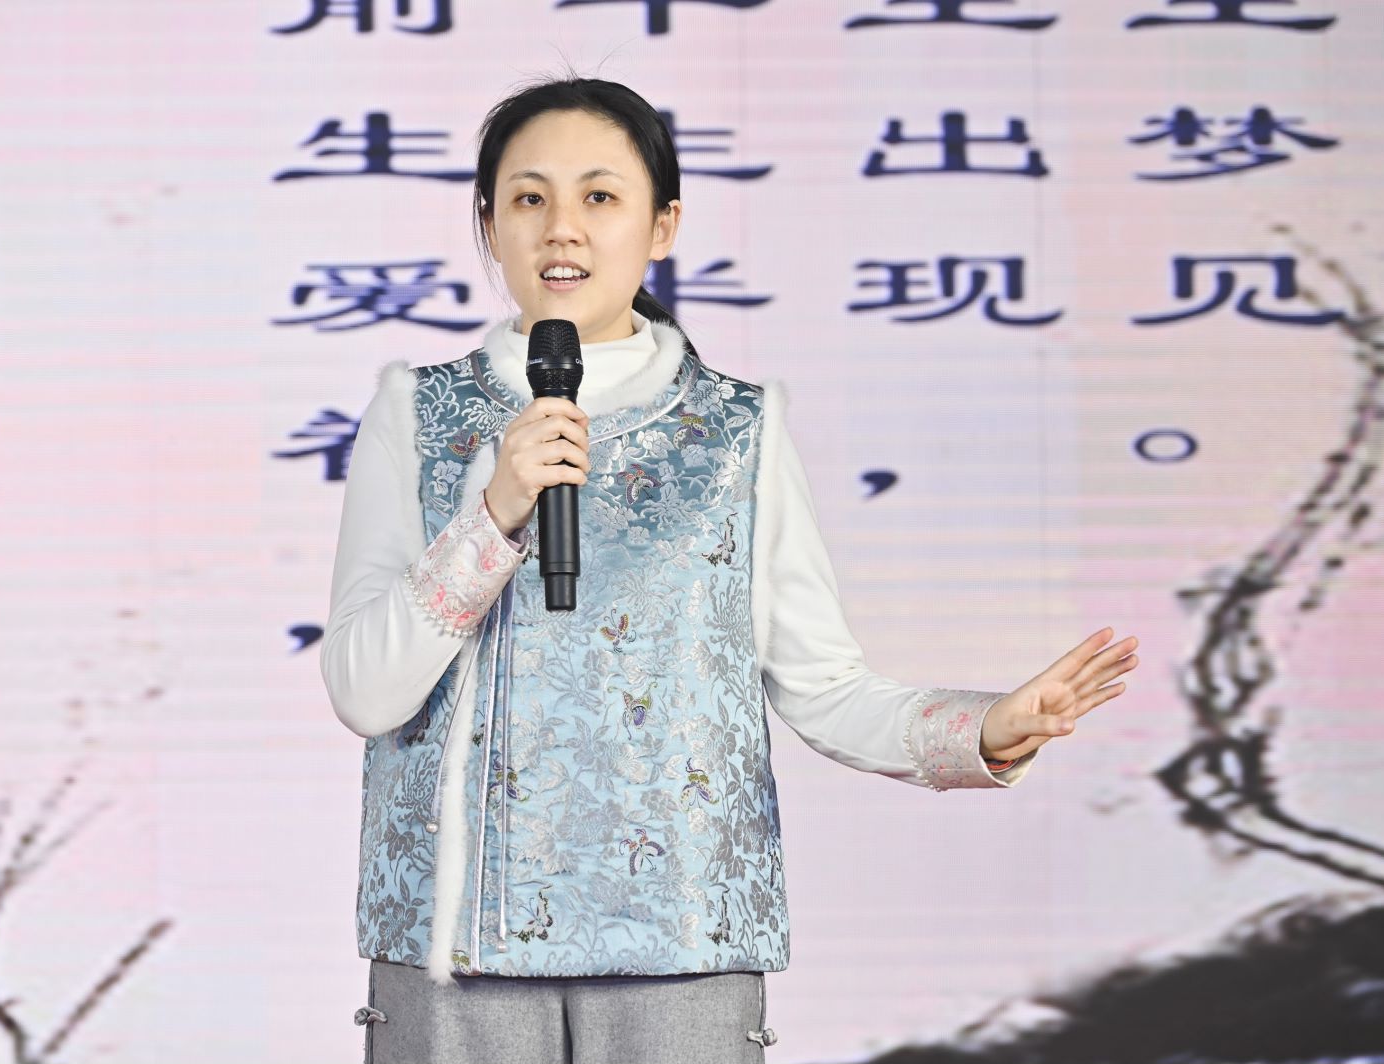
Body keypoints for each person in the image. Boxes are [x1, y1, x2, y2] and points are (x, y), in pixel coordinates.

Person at [320, 75, 1140, 1064]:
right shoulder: (415, 413)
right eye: (529, 198)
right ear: (490, 224)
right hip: (453, 945)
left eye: (600, 196)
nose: (562, 229)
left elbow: (823, 686)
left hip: (685, 937)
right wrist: (492, 514)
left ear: (663, 225)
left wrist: (983, 730)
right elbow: (365, 690)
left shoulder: (738, 430)